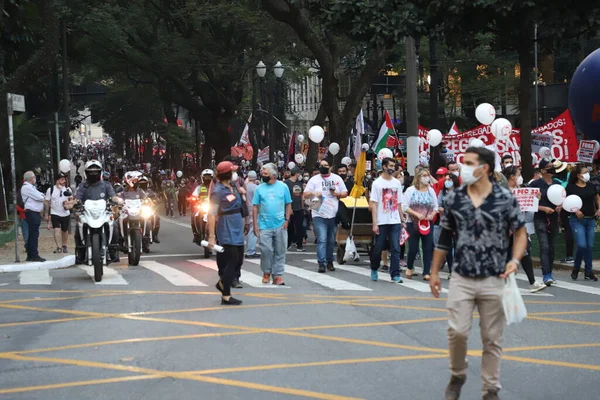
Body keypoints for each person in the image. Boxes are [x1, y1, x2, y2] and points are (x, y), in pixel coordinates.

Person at [430, 146, 527, 400]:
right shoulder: (454, 198)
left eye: (469, 162)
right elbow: (444, 239)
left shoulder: (505, 198)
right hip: (461, 277)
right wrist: (434, 272)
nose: (463, 166)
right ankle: (458, 373)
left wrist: (515, 260)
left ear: (484, 168)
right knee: (457, 331)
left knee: (492, 338)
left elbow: (520, 232)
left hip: (495, 278)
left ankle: (490, 389)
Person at [503, 166, 546, 292]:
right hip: (505, 229)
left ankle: (532, 282)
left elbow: (526, 209)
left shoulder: (520, 190)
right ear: (512, 176)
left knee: (524, 253)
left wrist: (535, 198)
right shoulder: (502, 191)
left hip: (518, 228)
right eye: (518, 174)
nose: (520, 176)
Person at [207, 161, 244, 305]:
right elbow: (211, 214)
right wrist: (211, 236)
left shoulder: (233, 187)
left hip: (236, 224)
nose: (235, 173)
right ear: (228, 174)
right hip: (226, 226)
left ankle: (223, 284)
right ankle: (226, 294)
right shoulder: (218, 191)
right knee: (232, 259)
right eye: (233, 171)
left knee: (239, 259)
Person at [74, 160, 123, 263]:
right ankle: (81, 253)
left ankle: (113, 250)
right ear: (86, 173)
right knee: (78, 227)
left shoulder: (106, 185)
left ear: (100, 172)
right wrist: (74, 202)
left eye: (96, 171)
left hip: (103, 212)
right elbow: (77, 198)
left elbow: (113, 196)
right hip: (87, 213)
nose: (93, 173)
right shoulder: (83, 186)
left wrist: (117, 200)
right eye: (90, 172)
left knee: (114, 225)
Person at [304, 160, 348, 273]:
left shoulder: (337, 178)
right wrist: (314, 194)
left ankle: (329, 261)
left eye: (325, 166)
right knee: (322, 239)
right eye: (321, 166)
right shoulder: (314, 180)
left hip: (332, 214)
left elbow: (345, 193)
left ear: (330, 167)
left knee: (330, 240)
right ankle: (321, 263)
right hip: (318, 213)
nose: (323, 167)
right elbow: (305, 194)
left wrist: (337, 194)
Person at [253, 163, 292, 285]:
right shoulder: (259, 188)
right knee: (266, 250)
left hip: (280, 224)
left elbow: (288, 203)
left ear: (273, 175)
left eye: (266, 174)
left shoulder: (283, 187)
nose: (263, 176)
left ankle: (278, 275)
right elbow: (255, 207)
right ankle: (266, 272)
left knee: (280, 250)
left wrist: (287, 220)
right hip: (264, 225)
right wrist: (255, 224)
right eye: (263, 173)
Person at [369, 158, 404, 282]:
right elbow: (373, 203)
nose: (392, 168)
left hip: (395, 220)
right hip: (381, 221)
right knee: (379, 247)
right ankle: (374, 268)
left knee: (395, 248)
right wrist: (375, 223)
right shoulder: (377, 183)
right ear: (384, 166)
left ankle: (395, 274)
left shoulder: (396, 183)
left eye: (394, 166)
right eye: (390, 165)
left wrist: (402, 219)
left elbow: (399, 203)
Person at [529, 159, 561, 286]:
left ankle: (550, 273)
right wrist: (543, 208)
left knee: (552, 246)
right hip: (540, 218)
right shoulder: (535, 184)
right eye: (549, 167)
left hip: (554, 218)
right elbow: (529, 203)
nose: (552, 168)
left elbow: (563, 198)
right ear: (542, 170)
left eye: (552, 166)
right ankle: (546, 274)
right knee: (544, 246)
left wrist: (560, 207)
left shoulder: (557, 183)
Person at [403, 168, 438, 280]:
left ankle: (426, 272)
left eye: (427, 175)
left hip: (427, 222)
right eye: (423, 175)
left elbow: (435, 206)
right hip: (412, 223)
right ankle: (409, 267)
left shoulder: (430, 190)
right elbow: (404, 207)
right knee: (413, 247)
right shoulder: (411, 190)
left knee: (427, 247)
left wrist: (432, 215)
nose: (426, 177)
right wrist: (416, 214)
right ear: (418, 177)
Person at [566, 164, 600, 281]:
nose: (587, 174)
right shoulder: (571, 187)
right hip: (577, 220)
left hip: (591, 219)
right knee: (582, 244)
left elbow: (596, 197)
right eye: (585, 172)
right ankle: (576, 268)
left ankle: (588, 272)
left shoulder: (590, 186)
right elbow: (567, 202)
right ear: (579, 175)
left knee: (589, 246)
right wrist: (576, 211)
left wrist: (599, 208)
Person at [44, 173, 74, 254]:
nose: (64, 181)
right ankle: (58, 247)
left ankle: (64, 245)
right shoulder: (51, 190)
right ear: (57, 181)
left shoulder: (68, 190)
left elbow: (72, 200)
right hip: (55, 213)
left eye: (65, 179)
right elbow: (47, 201)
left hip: (65, 213)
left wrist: (68, 205)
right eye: (62, 179)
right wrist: (46, 213)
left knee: (65, 230)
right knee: (56, 229)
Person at [21, 171, 46, 262]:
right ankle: (34, 255)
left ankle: (31, 254)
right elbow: (40, 197)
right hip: (32, 213)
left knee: (33, 234)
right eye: (34, 177)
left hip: (34, 213)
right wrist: (41, 196)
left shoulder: (31, 187)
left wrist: (41, 195)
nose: (35, 179)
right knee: (33, 234)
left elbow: (40, 195)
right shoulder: (27, 188)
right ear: (31, 178)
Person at [285, 167, 306, 252]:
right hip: (290, 208)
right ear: (296, 173)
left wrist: (302, 207)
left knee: (299, 227)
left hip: (298, 208)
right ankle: (288, 243)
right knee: (289, 227)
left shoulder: (299, 183)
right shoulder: (286, 183)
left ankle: (299, 245)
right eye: (299, 173)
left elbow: (301, 195)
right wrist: (288, 208)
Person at [138, 175, 160, 243]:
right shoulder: (136, 191)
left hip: (148, 209)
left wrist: (156, 200)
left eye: (144, 183)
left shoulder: (151, 192)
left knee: (156, 218)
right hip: (138, 211)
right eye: (141, 183)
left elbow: (156, 198)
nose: (143, 184)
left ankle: (155, 235)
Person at [245, 171, 259, 258]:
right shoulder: (256, 188)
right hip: (254, 209)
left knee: (248, 229)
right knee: (253, 229)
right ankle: (251, 251)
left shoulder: (244, 186)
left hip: (245, 209)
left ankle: (249, 249)